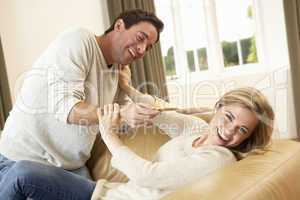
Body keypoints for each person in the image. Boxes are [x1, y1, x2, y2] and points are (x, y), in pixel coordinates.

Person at [0, 9, 163, 199]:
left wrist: (126, 88)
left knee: (113, 196)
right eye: (140, 37)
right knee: (24, 175)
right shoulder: (79, 41)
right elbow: (67, 109)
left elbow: (119, 124)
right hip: (20, 161)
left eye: (148, 47)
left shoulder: (119, 72)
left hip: (70, 169)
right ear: (119, 26)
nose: (142, 49)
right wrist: (122, 113)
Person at [90, 69, 275, 200]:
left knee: (59, 180)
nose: (229, 130)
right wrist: (127, 88)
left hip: (113, 197)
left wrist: (109, 135)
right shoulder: (198, 129)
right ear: (218, 107)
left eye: (242, 129)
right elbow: (158, 113)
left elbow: (148, 176)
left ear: (247, 138)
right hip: (111, 191)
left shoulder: (219, 159)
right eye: (229, 116)